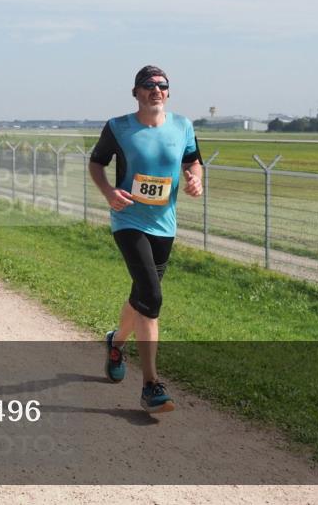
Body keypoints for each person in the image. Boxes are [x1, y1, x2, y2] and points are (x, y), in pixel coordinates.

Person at [88, 66, 203, 414]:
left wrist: (195, 179)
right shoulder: (118, 127)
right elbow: (96, 163)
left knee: (141, 296)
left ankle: (116, 342)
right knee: (152, 297)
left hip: (164, 226)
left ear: (168, 92)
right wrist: (109, 192)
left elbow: (193, 161)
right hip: (128, 221)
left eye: (162, 85)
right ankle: (151, 386)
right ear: (136, 92)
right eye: (148, 85)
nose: (156, 89)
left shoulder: (183, 126)